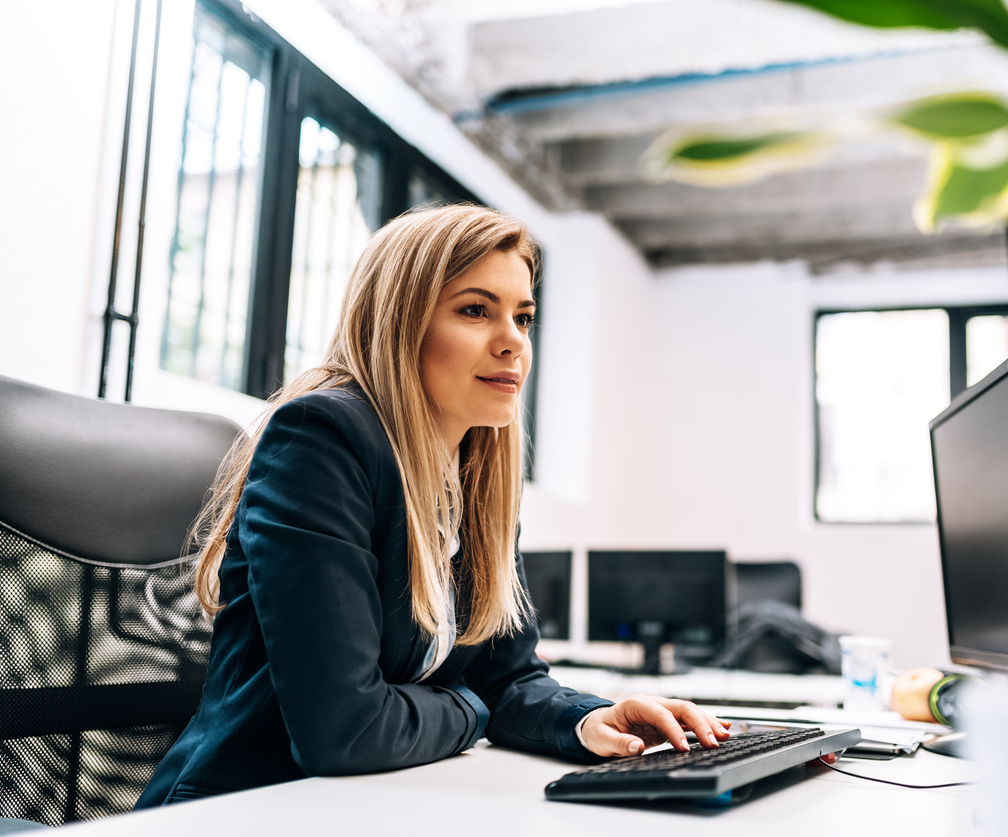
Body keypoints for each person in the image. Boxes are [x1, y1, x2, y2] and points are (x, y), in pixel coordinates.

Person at [136, 205, 731, 807]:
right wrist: (471, 706)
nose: (514, 344)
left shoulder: (470, 480)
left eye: (523, 317)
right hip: (246, 808)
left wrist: (588, 720)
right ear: (400, 322)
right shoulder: (321, 438)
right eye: (476, 311)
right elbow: (346, 730)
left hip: (378, 804)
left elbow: (509, 676)